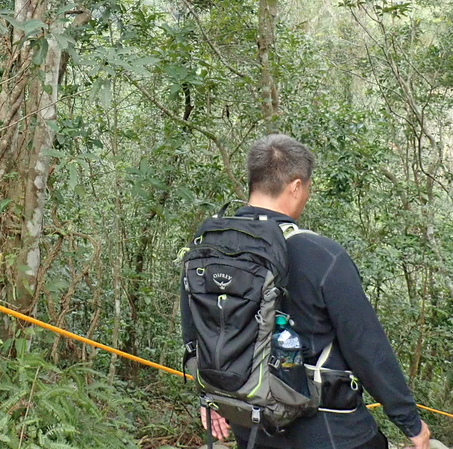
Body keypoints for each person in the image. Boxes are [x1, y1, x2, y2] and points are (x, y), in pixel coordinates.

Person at [182, 134, 431, 449]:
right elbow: (367, 347)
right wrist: (410, 422)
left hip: (252, 425)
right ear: (296, 186)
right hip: (329, 431)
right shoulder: (321, 255)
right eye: (308, 188)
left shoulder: (208, 245)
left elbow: (197, 332)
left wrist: (210, 398)